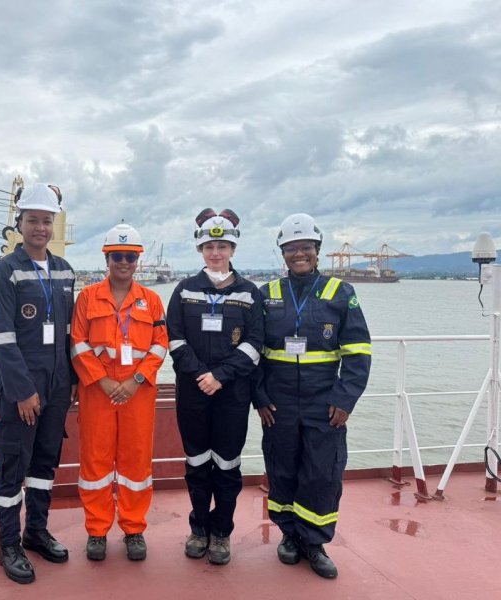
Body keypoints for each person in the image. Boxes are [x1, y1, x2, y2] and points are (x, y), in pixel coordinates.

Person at [256, 213, 371, 579]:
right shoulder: (267, 295)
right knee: (282, 468)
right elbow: (252, 353)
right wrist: (259, 398)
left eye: (305, 247)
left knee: (322, 473)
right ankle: (289, 536)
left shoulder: (341, 293)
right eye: (291, 248)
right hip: (279, 402)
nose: (298, 254)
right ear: (283, 253)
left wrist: (345, 399)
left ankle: (315, 541)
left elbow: (358, 353)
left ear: (318, 251)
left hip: (325, 402)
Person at [0, 183, 77, 585]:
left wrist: (70, 380)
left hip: (57, 385)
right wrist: (23, 391)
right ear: (19, 223)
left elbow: (68, 334)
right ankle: (9, 544)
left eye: (46, 221)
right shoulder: (4, 271)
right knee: (12, 466)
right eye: (33, 220)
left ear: (53, 225)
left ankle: (35, 531)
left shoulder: (64, 271)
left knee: (44, 463)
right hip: (19, 387)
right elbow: (2, 337)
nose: (40, 228)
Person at [166, 208, 263, 565]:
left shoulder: (250, 293)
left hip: (232, 395)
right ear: (200, 250)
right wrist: (199, 375)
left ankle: (221, 533)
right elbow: (174, 339)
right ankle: (199, 528)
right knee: (196, 463)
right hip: (193, 393)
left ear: (233, 250)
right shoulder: (184, 290)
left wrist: (220, 375)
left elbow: (256, 344)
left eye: (222, 245)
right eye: (209, 246)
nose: (216, 252)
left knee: (227, 465)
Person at [70, 222, 168, 562]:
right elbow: (77, 344)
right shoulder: (87, 298)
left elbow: (160, 346)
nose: (123, 262)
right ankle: (97, 531)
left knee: (135, 462)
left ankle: (133, 529)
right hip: (98, 392)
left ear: (137, 260)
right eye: (117, 256)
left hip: (137, 393)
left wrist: (135, 381)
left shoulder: (152, 301)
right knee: (95, 462)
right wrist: (102, 380)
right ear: (106, 259)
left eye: (129, 256)